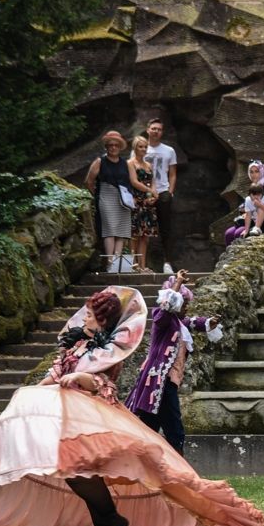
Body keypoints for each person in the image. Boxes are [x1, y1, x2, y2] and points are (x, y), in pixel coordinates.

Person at [0, 287, 264, 526]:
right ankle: (108, 521)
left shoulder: (111, 350)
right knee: (68, 468)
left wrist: (80, 379)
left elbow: (102, 384)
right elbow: (56, 372)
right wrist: (36, 388)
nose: (83, 317)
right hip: (62, 412)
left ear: (101, 320)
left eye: (89, 313)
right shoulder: (77, 345)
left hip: (90, 416)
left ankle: (109, 521)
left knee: (77, 467)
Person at [126, 270, 220, 455]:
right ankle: (180, 472)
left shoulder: (179, 323)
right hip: (158, 383)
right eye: (183, 304)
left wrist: (210, 322)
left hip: (166, 385)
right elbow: (165, 309)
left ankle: (151, 471)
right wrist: (177, 283)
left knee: (148, 429)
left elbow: (194, 322)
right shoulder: (163, 320)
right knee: (174, 432)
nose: (186, 308)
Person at [85, 131, 132, 268]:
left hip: (123, 198)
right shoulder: (100, 161)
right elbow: (89, 181)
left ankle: (117, 263)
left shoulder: (125, 163)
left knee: (121, 231)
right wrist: (96, 195)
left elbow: (131, 180)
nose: (113, 147)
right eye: (110, 145)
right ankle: (110, 262)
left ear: (120, 147)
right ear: (106, 146)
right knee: (109, 229)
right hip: (106, 195)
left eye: (116, 145)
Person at [145, 118, 178, 274]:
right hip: (144, 192)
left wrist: (170, 192)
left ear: (162, 132)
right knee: (143, 229)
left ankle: (167, 262)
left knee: (166, 228)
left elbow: (172, 174)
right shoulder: (140, 148)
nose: (156, 131)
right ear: (147, 130)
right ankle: (143, 263)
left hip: (163, 190)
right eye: (153, 128)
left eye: (159, 129)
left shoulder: (169, 150)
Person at [126, 135, 158, 273]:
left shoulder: (149, 165)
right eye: (140, 146)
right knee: (134, 234)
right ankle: (133, 265)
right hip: (136, 200)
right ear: (135, 148)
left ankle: (143, 266)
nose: (143, 149)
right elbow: (134, 181)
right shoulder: (130, 163)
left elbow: (153, 181)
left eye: (145, 146)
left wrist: (153, 195)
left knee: (145, 236)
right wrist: (150, 190)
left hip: (147, 202)